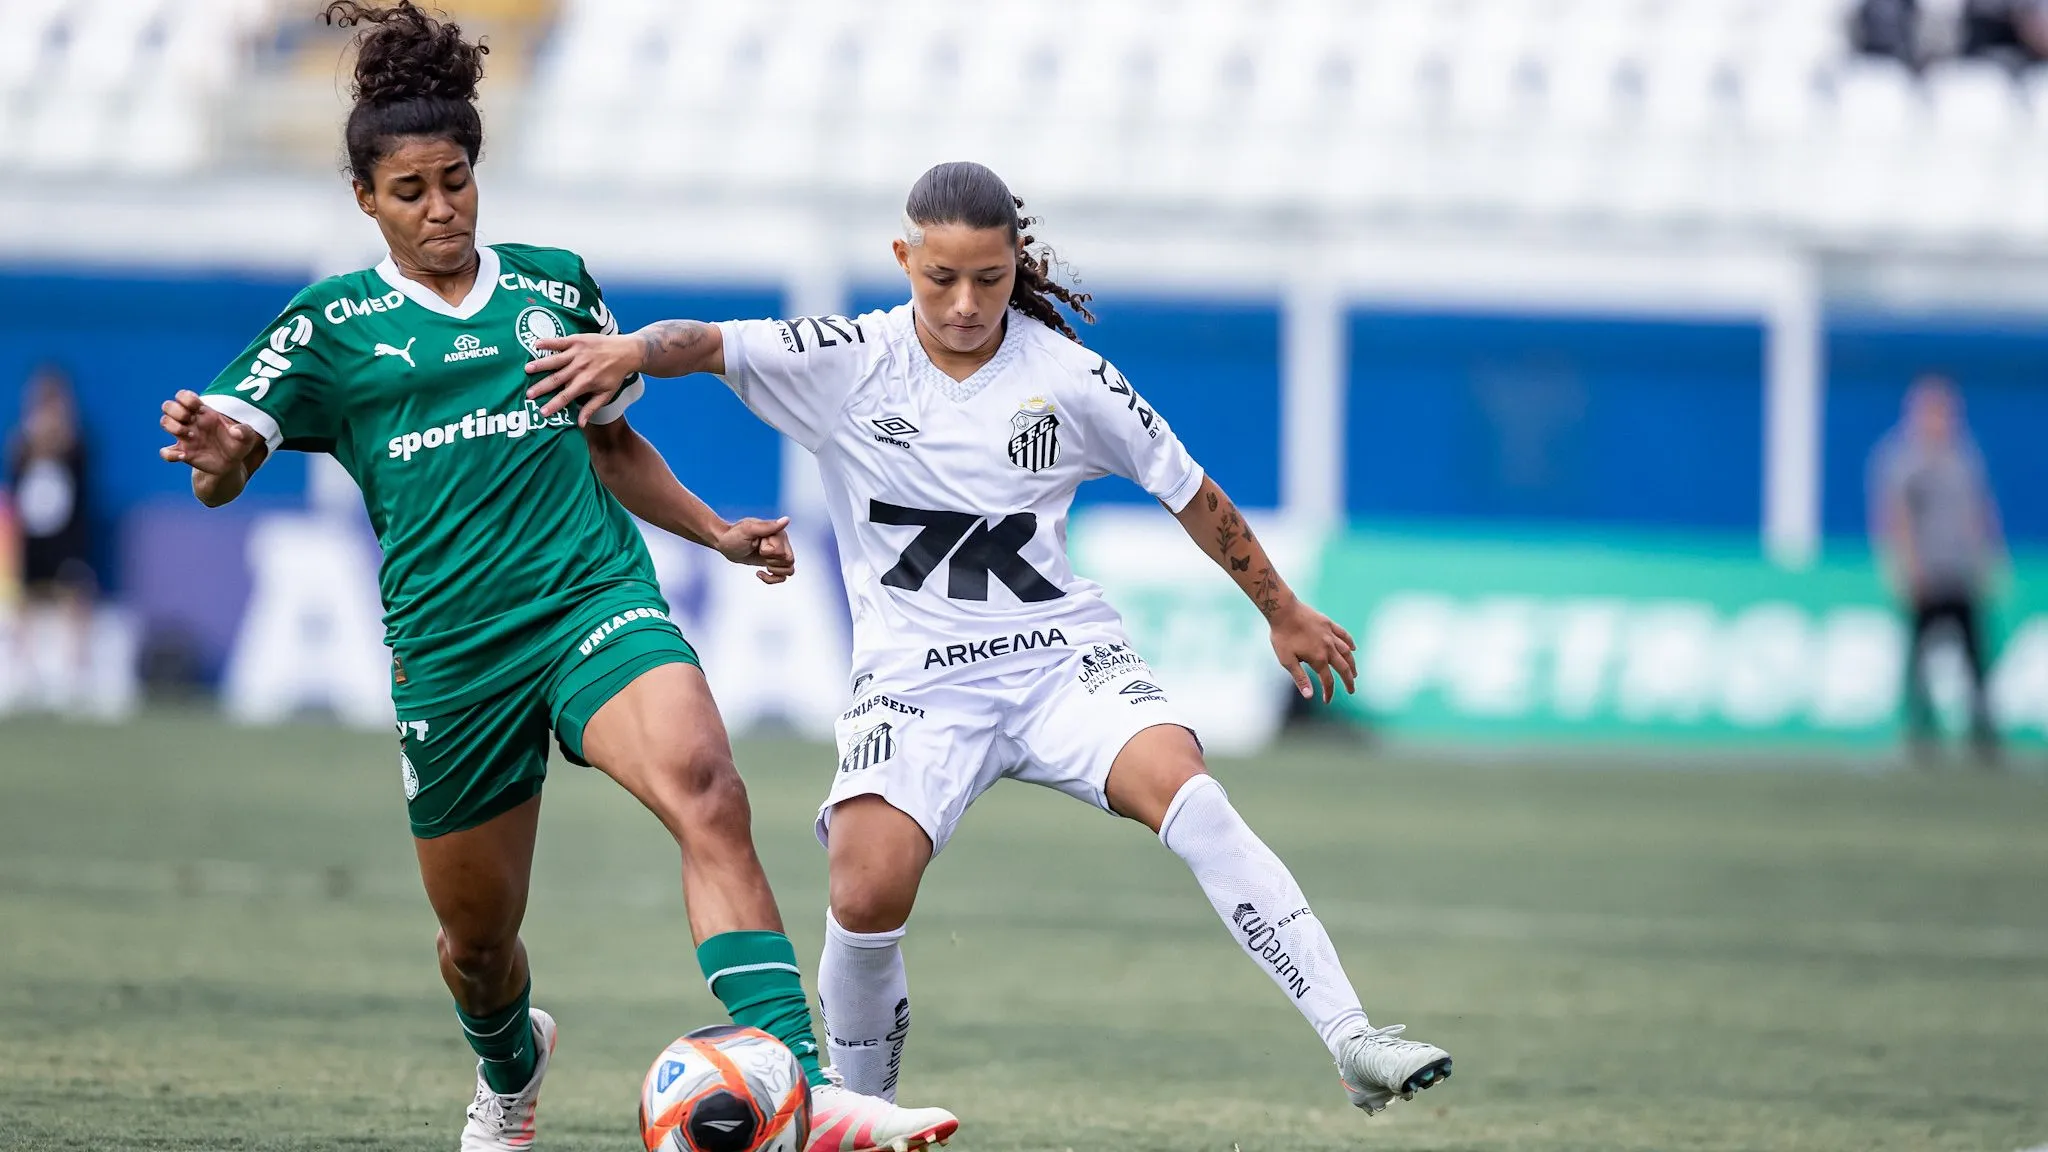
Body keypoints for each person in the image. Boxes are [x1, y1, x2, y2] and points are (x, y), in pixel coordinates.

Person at [156, 6, 957, 1150]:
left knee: (707, 788)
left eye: (457, 180)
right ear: (365, 201)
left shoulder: (554, 286)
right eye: (411, 191)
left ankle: (803, 1079)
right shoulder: (328, 327)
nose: (441, 209)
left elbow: (611, 444)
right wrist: (223, 455)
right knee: (476, 947)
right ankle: (510, 1065)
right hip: (452, 656)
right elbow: (223, 461)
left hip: (590, 602)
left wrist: (714, 533)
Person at [526, 161, 1454, 1126]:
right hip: (916, 685)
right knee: (866, 883)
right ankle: (857, 1115)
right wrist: (631, 345)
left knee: (1192, 794)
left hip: (1061, 663)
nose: (966, 304)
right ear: (904, 259)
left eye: (989, 279)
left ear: (1018, 262)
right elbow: (704, 345)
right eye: (941, 280)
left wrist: (1282, 608)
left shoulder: (1069, 378)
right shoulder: (847, 356)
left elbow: (1188, 488)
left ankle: (1351, 1037)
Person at [1868, 374, 2006, 763]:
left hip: (1960, 571)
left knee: (1975, 658)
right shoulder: (1903, 460)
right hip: (1927, 572)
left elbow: (1978, 512)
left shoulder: (1964, 457)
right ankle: (1921, 733)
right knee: (1919, 659)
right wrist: (1905, 566)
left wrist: (1988, 558)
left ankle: (1983, 733)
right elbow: (1896, 518)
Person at [6, 364, 97, 707]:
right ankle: (24, 673)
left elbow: (71, 453)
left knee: (75, 596)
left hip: (66, 535)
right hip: (33, 535)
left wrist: (53, 429)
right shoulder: (22, 442)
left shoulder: (75, 441)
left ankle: (76, 676)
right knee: (24, 600)